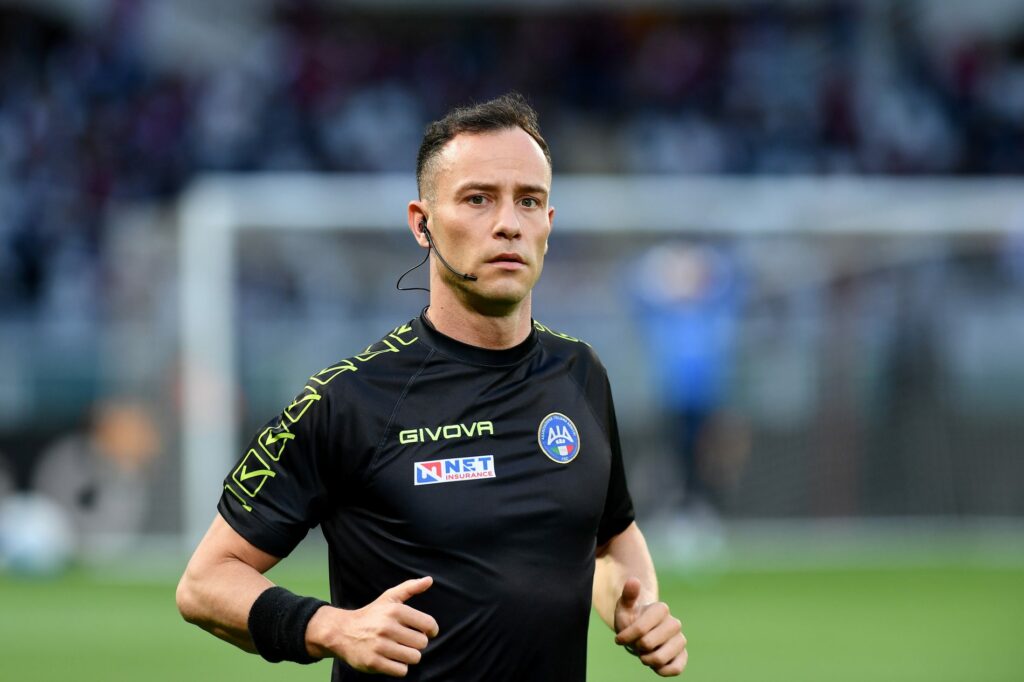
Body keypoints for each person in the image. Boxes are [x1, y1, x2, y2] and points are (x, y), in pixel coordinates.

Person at [176, 92, 687, 681]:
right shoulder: (349, 400)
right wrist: (330, 628)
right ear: (422, 224)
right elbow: (205, 582)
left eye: (528, 201)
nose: (507, 224)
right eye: (478, 199)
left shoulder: (581, 374)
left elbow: (611, 538)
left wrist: (637, 606)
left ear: (548, 224)